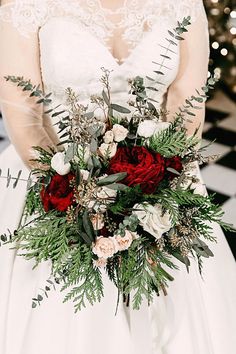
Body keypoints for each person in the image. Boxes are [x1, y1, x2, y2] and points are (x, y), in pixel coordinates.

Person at [0, 1, 235, 353]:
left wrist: (158, 192)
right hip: (56, 183)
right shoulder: (25, 5)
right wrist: (79, 197)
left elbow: (188, 101)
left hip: (162, 181)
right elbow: (23, 113)